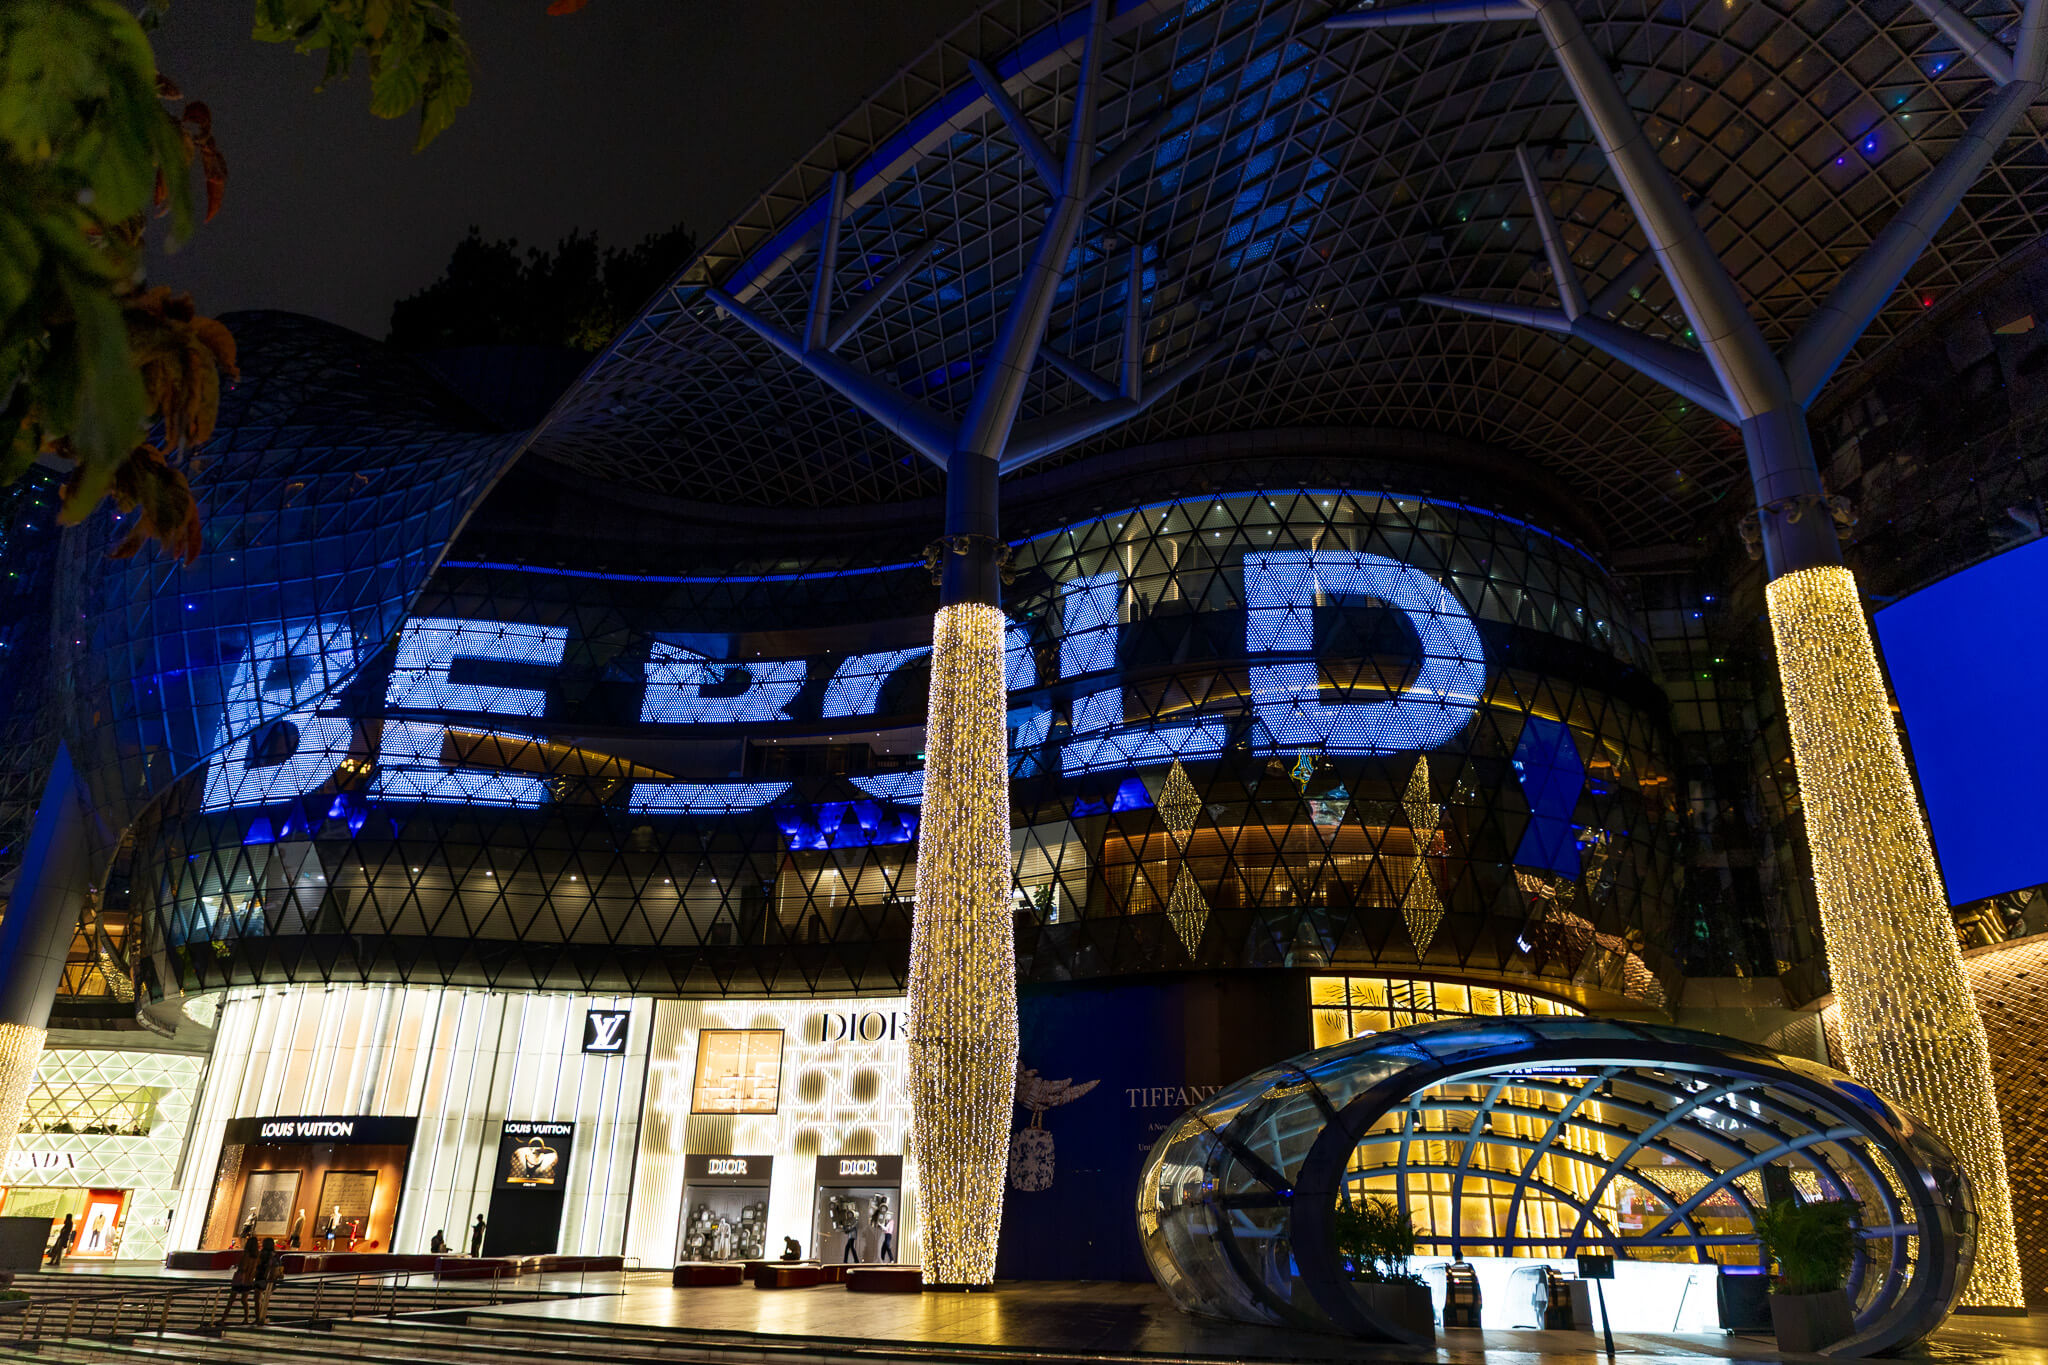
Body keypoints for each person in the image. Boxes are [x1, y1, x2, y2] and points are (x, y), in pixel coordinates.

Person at [222, 1235, 259, 1327]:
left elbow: (243, 1267)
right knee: (244, 1300)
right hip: (249, 1280)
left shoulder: (246, 1254)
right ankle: (246, 1318)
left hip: (240, 1278)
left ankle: (223, 1318)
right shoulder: (257, 1256)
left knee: (231, 1299)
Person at [255, 1237, 283, 1325]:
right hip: (270, 1279)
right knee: (264, 1299)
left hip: (260, 1277)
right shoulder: (275, 1255)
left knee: (257, 1298)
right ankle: (262, 1317)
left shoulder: (261, 1254)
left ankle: (258, 1317)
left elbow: (257, 1265)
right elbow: (278, 1267)